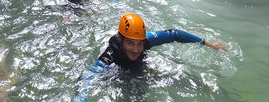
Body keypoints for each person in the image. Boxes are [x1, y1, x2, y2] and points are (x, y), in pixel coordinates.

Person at [76, 13, 227, 101]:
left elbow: (174, 34)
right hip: (118, 73)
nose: (136, 49)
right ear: (121, 40)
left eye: (139, 44)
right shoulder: (110, 54)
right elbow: (87, 77)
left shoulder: (147, 39)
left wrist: (207, 43)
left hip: (142, 68)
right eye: (130, 43)